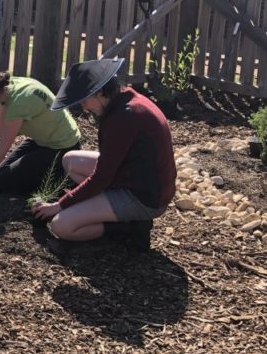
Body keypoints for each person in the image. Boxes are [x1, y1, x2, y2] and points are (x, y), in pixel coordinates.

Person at [32, 57, 176, 252]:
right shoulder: (126, 99)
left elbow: (102, 176)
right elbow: (107, 167)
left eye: (84, 100)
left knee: (61, 225)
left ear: (99, 92)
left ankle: (126, 228)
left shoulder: (124, 117)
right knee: (71, 160)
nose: (84, 107)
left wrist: (60, 205)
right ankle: (107, 210)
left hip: (145, 197)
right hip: (136, 177)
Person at [0, 67, 81, 196]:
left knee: (1, 183)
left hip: (62, 147)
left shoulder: (18, 103)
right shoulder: (8, 86)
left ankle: (64, 178)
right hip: (42, 140)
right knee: (2, 175)